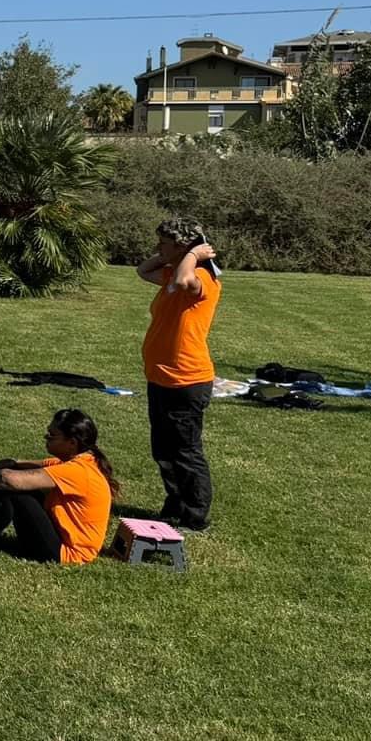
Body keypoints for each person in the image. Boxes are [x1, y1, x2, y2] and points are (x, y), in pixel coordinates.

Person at [137, 218, 221, 531]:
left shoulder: (201, 277)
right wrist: (171, 255)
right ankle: (174, 504)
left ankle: (195, 516)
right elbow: (143, 271)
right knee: (163, 449)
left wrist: (194, 255)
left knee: (185, 452)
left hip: (186, 380)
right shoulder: (173, 272)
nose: (157, 248)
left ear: (184, 248)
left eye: (164, 243)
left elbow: (187, 279)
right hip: (160, 377)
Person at [0, 409, 117, 564]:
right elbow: (14, 463)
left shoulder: (78, 471)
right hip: (62, 540)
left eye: (52, 435)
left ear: (72, 443)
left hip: (68, 554)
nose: (46, 437)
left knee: (13, 489)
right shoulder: (75, 461)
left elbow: (7, 479)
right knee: (15, 482)